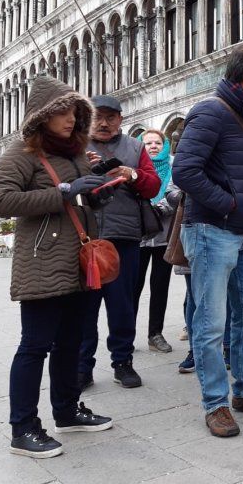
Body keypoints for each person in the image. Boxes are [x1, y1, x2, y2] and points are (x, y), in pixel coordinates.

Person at [0, 76, 113, 459]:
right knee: (35, 345)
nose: (70, 118)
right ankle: (23, 428)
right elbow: (2, 202)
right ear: (42, 116)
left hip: (79, 262)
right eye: (61, 111)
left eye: (75, 111)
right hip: (43, 262)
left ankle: (67, 410)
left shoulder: (78, 154)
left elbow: (80, 204)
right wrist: (61, 192)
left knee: (71, 341)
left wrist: (97, 194)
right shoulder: (21, 154)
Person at [172, 42, 243, 438]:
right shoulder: (210, 112)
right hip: (212, 232)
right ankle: (216, 403)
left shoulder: (240, 115)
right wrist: (229, 204)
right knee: (211, 323)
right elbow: (184, 172)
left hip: (240, 234)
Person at [81, 96, 161, 391]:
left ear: (121, 120)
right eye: (97, 117)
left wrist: (132, 174)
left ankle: (123, 362)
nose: (104, 123)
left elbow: (153, 186)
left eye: (110, 117)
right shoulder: (75, 147)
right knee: (85, 306)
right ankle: (82, 366)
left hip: (123, 236)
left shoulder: (135, 147)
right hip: (86, 237)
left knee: (122, 304)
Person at [136, 129, 176, 353]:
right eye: (148, 143)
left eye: (158, 143)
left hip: (164, 235)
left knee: (160, 287)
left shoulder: (173, 165)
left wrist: (159, 209)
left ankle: (155, 334)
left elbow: (178, 191)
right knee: (133, 287)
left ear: (165, 144)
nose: (153, 146)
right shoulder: (137, 167)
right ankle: (125, 334)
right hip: (139, 237)